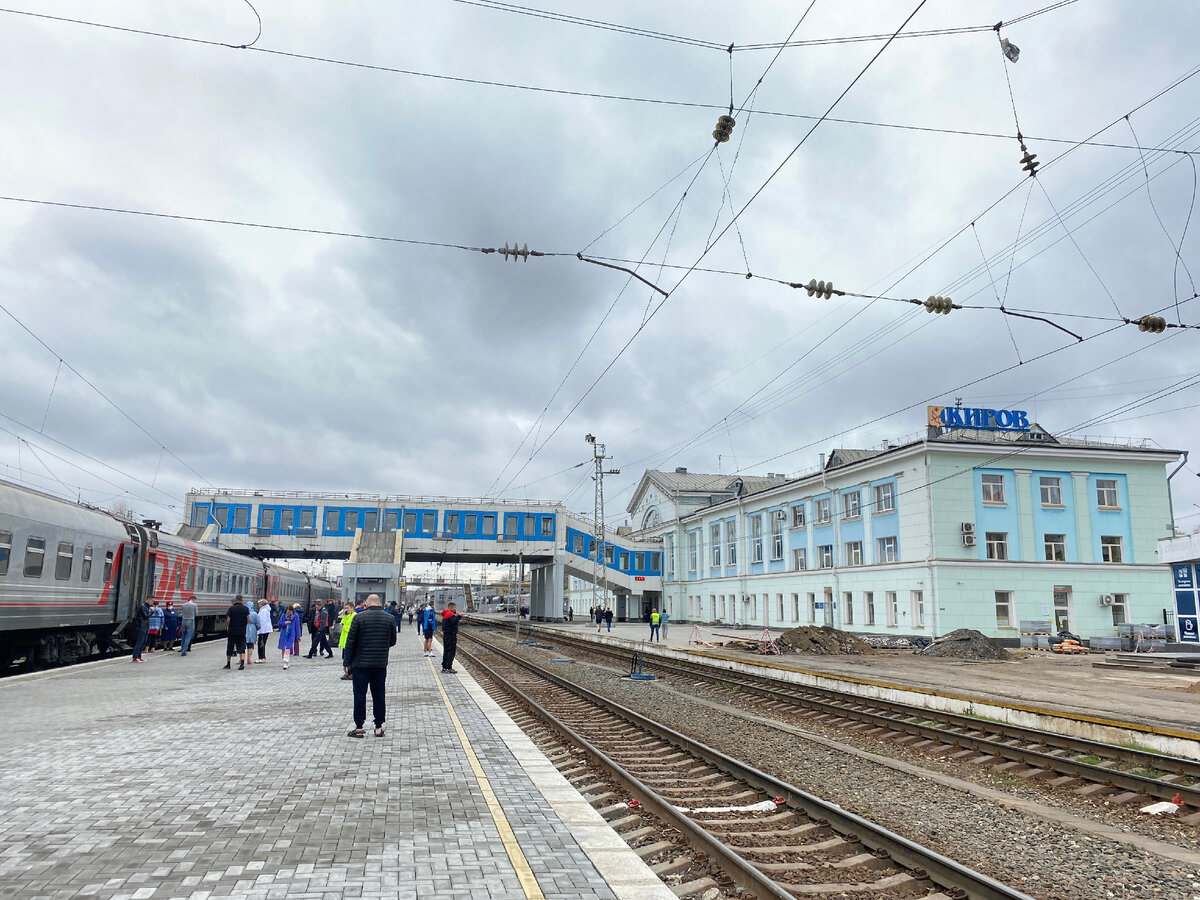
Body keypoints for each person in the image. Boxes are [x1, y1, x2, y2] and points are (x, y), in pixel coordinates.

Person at [343, 594, 396, 739]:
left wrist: (346, 662)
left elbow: (350, 642)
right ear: (380, 603)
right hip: (380, 665)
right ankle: (378, 727)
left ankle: (359, 728)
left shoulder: (358, 618)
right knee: (379, 695)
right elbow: (392, 642)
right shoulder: (390, 619)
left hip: (360, 665)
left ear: (367, 603)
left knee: (359, 695)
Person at [224, 596, 251, 670]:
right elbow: (248, 619)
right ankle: (242, 663)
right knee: (242, 647)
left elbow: (228, 620)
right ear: (242, 600)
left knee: (230, 647)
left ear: (236, 600)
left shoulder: (231, 608)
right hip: (242, 631)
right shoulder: (246, 609)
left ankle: (228, 664)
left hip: (232, 631)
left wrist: (229, 625)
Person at [440, 601, 462, 674]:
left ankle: (444, 666)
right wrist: (459, 616)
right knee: (451, 651)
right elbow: (454, 621)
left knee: (446, 650)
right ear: (451, 607)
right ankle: (448, 667)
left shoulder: (445, 613)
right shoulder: (449, 614)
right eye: (455, 607)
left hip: (446, 635)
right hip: (451, 635)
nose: (455, 609)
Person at [277, 605, 301, 669]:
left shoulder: (296, 616)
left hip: (291, 634)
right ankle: (285, 661)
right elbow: (279, 624)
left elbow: (297, 626)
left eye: (290, 612)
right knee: (283, 648)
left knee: (287, 648)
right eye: (287, 612)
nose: (288, 613)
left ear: (292, 611)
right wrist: (285, 623)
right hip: (284, 634)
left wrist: (298, 636)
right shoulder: (283, 616)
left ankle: (286, 663)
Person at [338, 601, 356, 680]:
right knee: (345, 657)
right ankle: (348, 672)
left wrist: (344, 626)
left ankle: (351, 673)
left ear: (352, 608)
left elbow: (352, 628)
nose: (346, 609)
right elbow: (342, 623)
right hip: (345, 640)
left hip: (350, 641)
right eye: (346, 608)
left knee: (350, 658)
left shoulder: (354, 616)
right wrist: (344, 616)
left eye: (348, 608)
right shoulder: (347, 615)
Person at [131, 596, 151, 663]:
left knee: (143, 642)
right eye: (152, 601)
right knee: (140, 642)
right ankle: (135, 657)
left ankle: (139, 656)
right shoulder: (143, 607)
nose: (152, 602)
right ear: (148, 600)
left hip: (145, 626)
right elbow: (146, 616)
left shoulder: (146, 607)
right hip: (142, 626)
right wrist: (153, 611)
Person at [244, 603, 259, 668]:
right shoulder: (255, 614)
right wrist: (257, 628)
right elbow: (258, 623)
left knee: (242, 644)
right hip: (252, 628)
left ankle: (241, 659)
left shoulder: (244, 613)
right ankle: (249, 659)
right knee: (250, 644)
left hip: (244, 628)